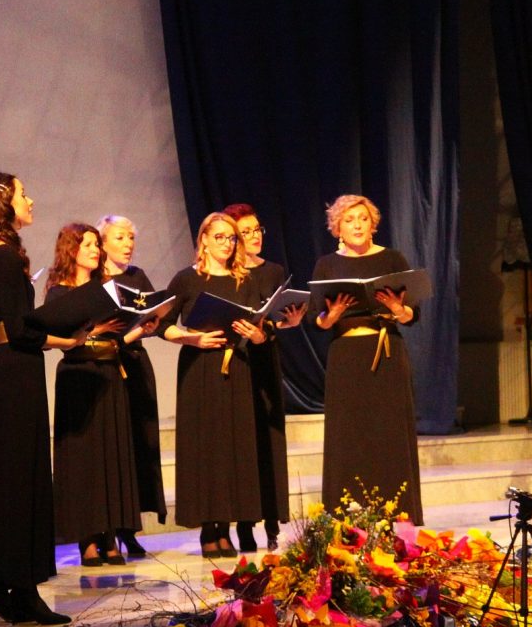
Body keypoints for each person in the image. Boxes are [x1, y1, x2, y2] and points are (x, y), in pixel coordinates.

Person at [0, 172, 74, 625]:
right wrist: (64, 336)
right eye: (23, 193)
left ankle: (0, 585)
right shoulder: (5, 258)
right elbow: (18, 327)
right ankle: (21, 589)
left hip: (4, 369)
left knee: (12, 479)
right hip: (14, 372)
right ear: (3, 204)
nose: (30, 200)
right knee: (22, 478)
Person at [161, 212, 268, 558]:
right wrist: (191, 339)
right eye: (219, 237)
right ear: (204, 239)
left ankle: (227, 526)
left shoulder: (244, 280)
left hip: (236, 367)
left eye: (232, 238)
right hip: (200, 368)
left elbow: (260, 328)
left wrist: (256, 335)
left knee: (233, 445)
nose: (227, 243)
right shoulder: (186, 279)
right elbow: (162, 325)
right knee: (205, 445)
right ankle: (209, 527)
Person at [311, 194, 423, 523]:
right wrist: (332, 315)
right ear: (337, 229)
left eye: (363, 218)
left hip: (387, 353)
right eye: (349, 220)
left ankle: (395, 514)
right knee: (348, 436)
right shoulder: (327, 264)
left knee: (389, 435)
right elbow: (318, 321)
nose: (357, 225)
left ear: (373, 224)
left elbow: (412, 314)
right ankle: (346, 518)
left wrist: (397, 308)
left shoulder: (392, 258)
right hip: (346, 357)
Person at [45, 223, 149, 566]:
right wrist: (93, 329)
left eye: (95, 244)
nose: (94, 250)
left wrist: (140, 327)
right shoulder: (59, 292)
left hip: (109, 373)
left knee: (110, 453)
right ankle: (87, 537)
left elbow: (117, 334)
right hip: (77, 376)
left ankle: (110, 533)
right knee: (83, 458)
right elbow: (55, 337)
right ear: (71, 249)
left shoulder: (107, 289)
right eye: (87, 244)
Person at [226, 203, 304, 551]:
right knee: (244, 442)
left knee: (269, 439)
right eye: (246, 232)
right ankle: (244, 523)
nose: (255, 236)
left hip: (264, 358)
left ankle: (272, 523)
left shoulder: (273, 271)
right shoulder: (226, 274)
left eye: (257, 229)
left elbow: (276, 318)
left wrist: (287, 322)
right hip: (236, 362)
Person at [99, 214, 165, 556]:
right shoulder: (94, 278)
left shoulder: (136, 276)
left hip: (136, 363)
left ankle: (129, 528)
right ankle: (107, 529)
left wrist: (154, 322)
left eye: (131, 238)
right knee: (113, 447)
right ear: (103, 242)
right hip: (106, 365)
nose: (128, 244)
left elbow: (155, 314)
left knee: (139, 444)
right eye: (120, 238)